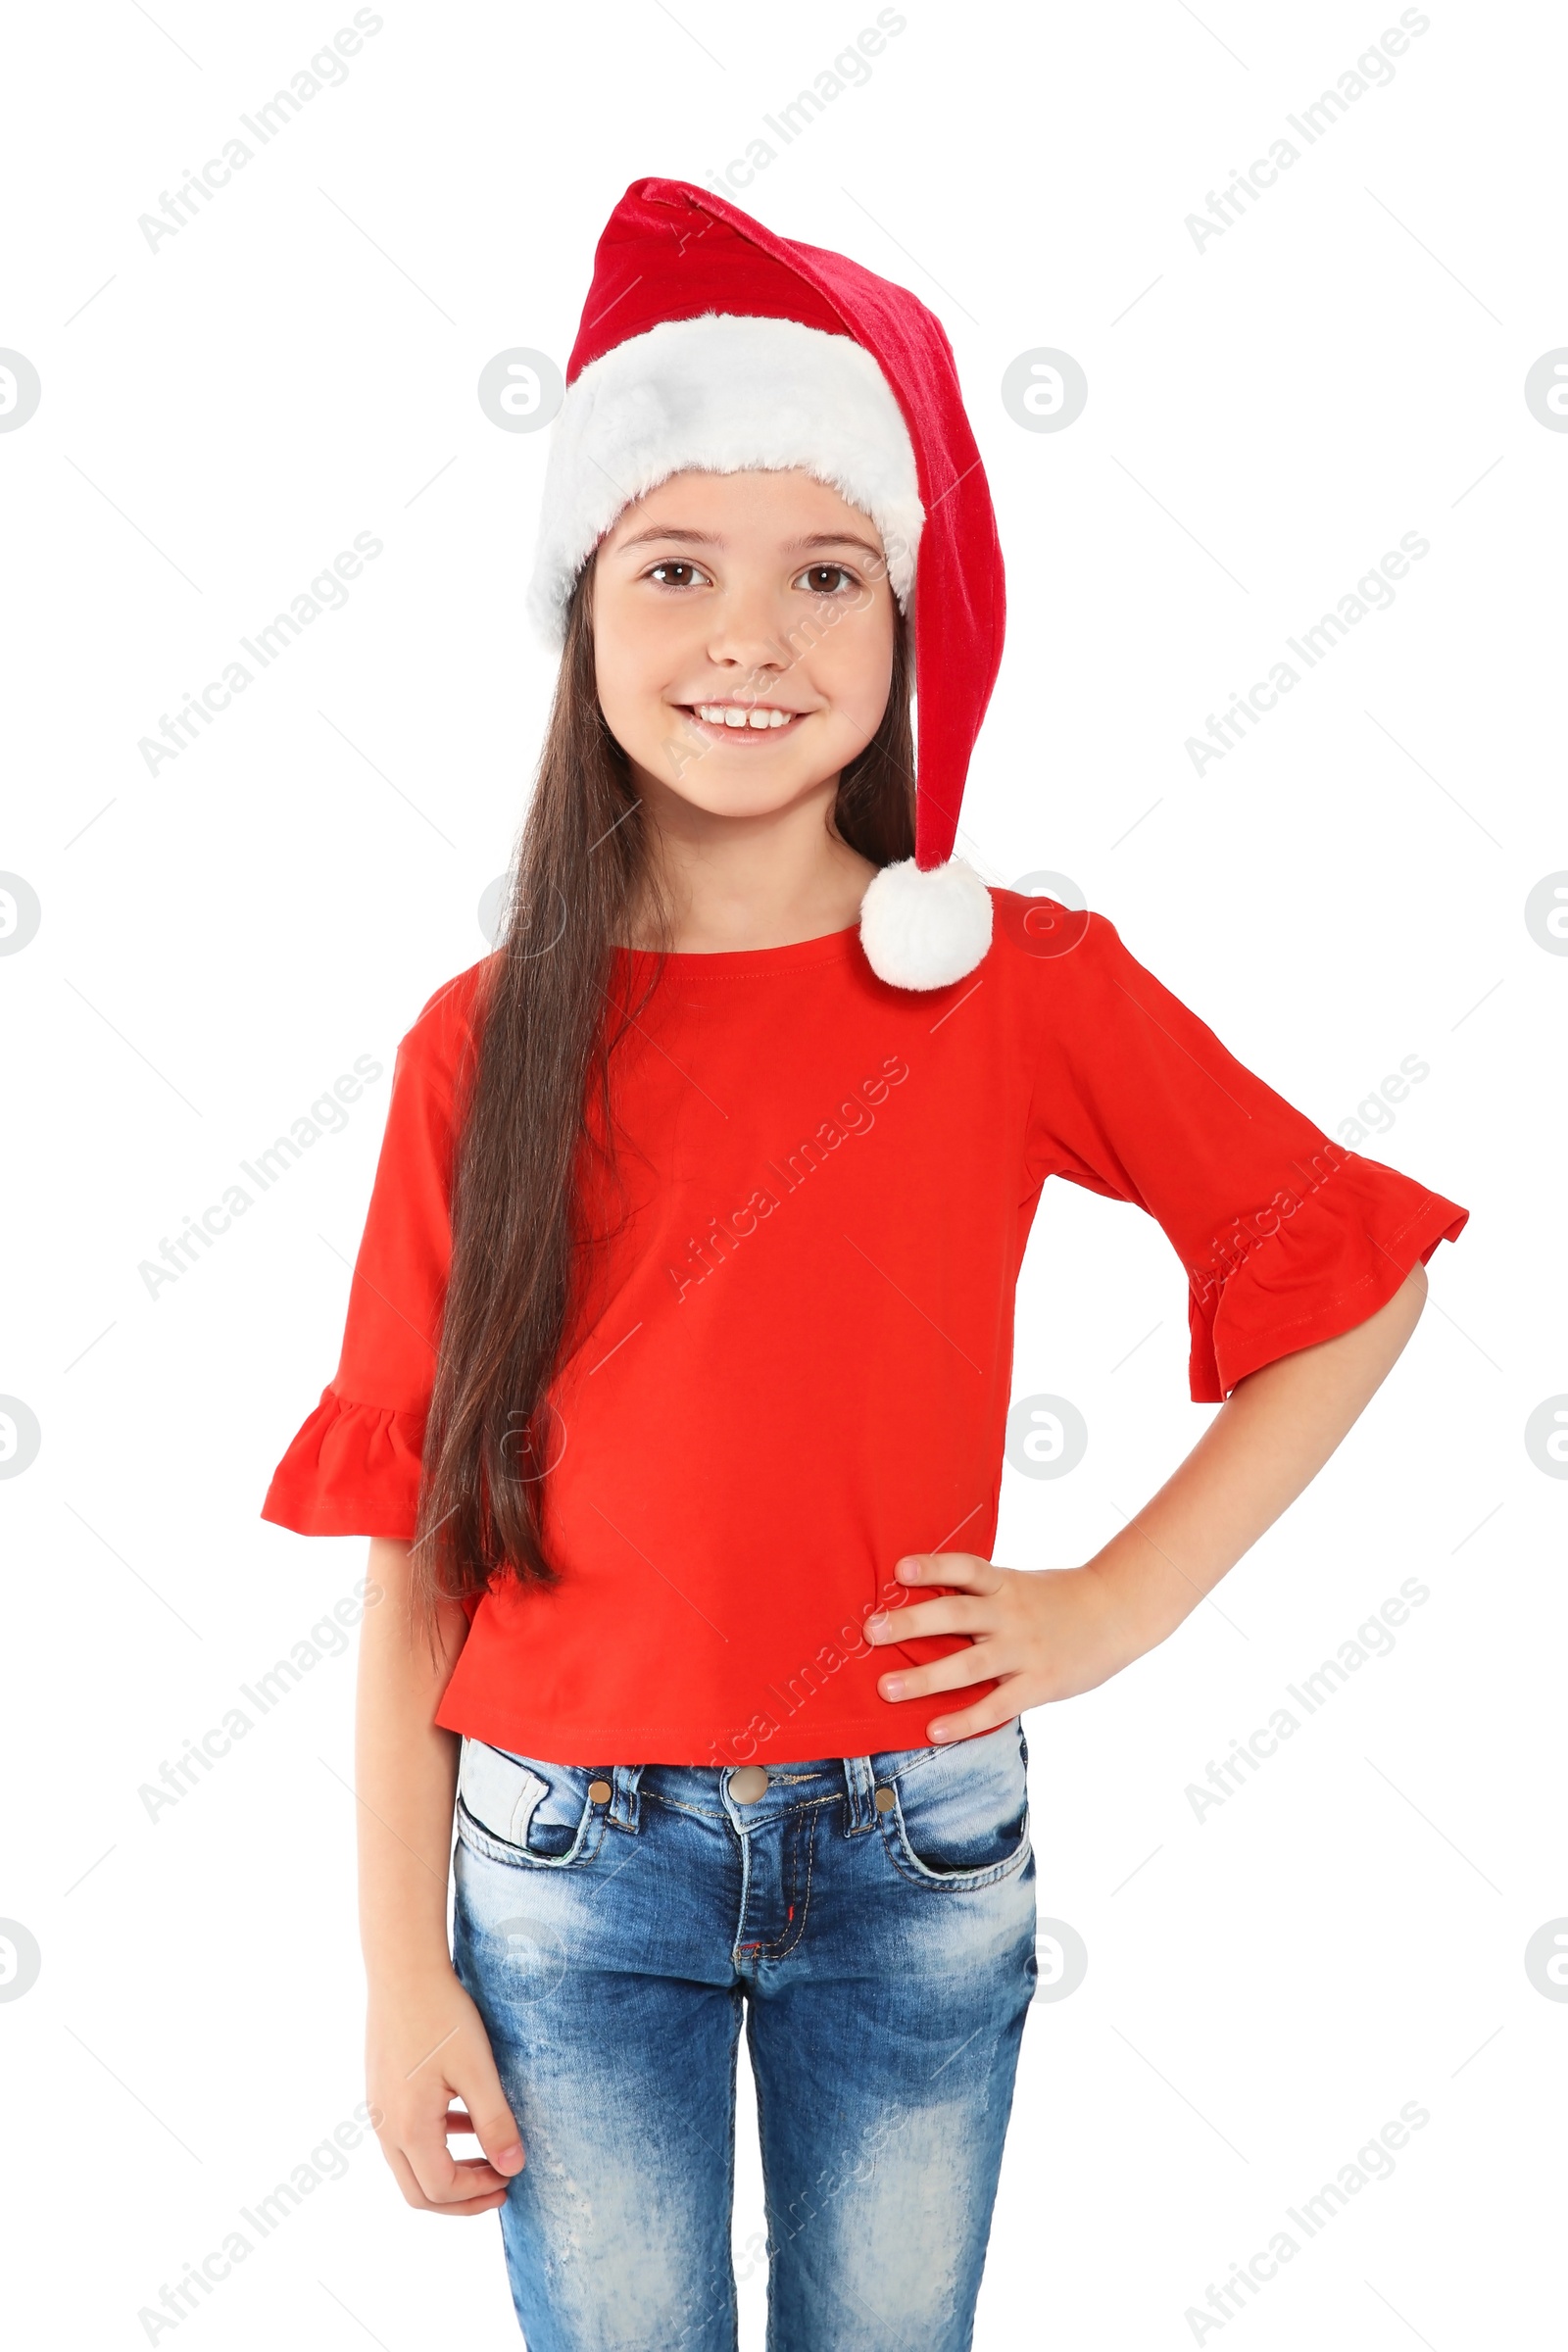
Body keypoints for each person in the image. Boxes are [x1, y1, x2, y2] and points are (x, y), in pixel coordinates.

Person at [261, 176, 1468, 2352]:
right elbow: (416, 1541)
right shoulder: (485, 1043)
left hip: (909, 1848)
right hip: (560, 1874)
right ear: (583, 611)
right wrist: (394, 1963)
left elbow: (1345, 1274)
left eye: (826, 575)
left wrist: (1109, 1605)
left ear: (907, 629)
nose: (750, 636)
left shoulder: (1010, 987)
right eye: (675, 568)